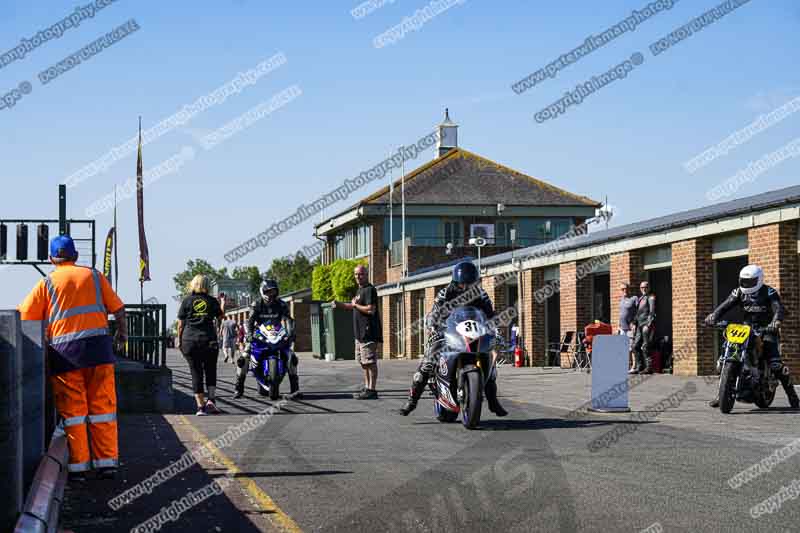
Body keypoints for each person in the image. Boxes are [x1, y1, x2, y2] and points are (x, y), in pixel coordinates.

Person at [18, 235, 126, 481]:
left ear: (51, 258)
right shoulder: (95, 277)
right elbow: (119, 310)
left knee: (74, 412)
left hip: (65, 356)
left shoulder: (46, 284)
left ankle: (79, 467)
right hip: (99, 351)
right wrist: (122, 333)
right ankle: (106, 463)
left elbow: (25, 318)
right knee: (103, 408)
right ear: (76, 256)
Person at [399, 261, 508, 417]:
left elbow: (490, 314)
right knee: (428, 363)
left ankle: (493, 401)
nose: (465, 287)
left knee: (490, 364)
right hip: (447, 331)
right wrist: (433, 325)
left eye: (469, 283)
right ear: (455, 282)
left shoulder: (481, 294)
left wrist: (496, 326)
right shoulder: (445, 293)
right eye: (461, 284)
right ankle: (411, 401)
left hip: (474, 332)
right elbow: (434, 313)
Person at [706, 264, 800, 408]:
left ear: (759, 279)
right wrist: (714, 316)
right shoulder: (738, 292)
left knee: (775, 364)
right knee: (727, 352)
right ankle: (721, 394)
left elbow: (778, 308)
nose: (746, 284)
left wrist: (776, 321)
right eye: (744, 281)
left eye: (750, 281)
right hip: (746, 329)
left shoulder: (769, 292)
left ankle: (792, 397)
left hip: (767, 330)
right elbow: (725, 305)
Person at [235, 279, 301, 399]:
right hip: (259, 333)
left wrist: (291, 332)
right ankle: (239, 388)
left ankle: (295, 389)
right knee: (244, 357)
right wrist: (249, 334)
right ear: (262, 291)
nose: (271, 295)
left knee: (292, 356)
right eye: (268, 292)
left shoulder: (281, 304)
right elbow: (250, 321)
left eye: (274, 292)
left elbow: (288, 319)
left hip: (277, 333)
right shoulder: (257, 304)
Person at [177, 275, 225, 415]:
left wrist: (179, 341)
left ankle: (200, 407)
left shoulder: (186, 301)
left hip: (190, 340)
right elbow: (221, 317)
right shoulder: (211, 301)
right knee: (210, 369)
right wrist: (222, 303)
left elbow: (180, 324)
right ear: (207, 286)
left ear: (193, 284)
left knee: (196, 371)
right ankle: (211, 400)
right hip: (208, 340)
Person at [333, 265, 382, 400]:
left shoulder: (370, 290)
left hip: (368, 332)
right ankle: (367, 387)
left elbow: (370, 309)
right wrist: (340, 305)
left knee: (370, 362)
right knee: (363, 362)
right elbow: (353, 305)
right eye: (356, 274)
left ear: (366, 274)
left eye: (360, 274)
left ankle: (372, 389)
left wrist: (355, 305)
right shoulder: (360, 290)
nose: (358, 277)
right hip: (359, 333)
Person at [630, 280, 656, 374]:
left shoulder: (651, 297)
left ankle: (648, 368)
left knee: (645, 346)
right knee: (635, 346)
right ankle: (639, 366)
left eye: (645, 287)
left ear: (648, 288)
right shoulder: (640, 298)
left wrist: (648, 324)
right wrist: (633, 322)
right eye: (642, 287)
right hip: (639, 325)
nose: (643, 289)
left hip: (646, 325)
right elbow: (638, 313)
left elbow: (652, 312)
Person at [617, 282, 638, 371]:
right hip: (622, 328)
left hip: (630, 328)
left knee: (632, 348)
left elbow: (639, 312)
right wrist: (618, 325)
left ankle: (634, 366)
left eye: (626, 288)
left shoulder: (634, 298)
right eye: (622, 289)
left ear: (629, 289)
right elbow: (621, 314)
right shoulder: (621, 300)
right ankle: (627, 366)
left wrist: (634, 322)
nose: (625, 290)